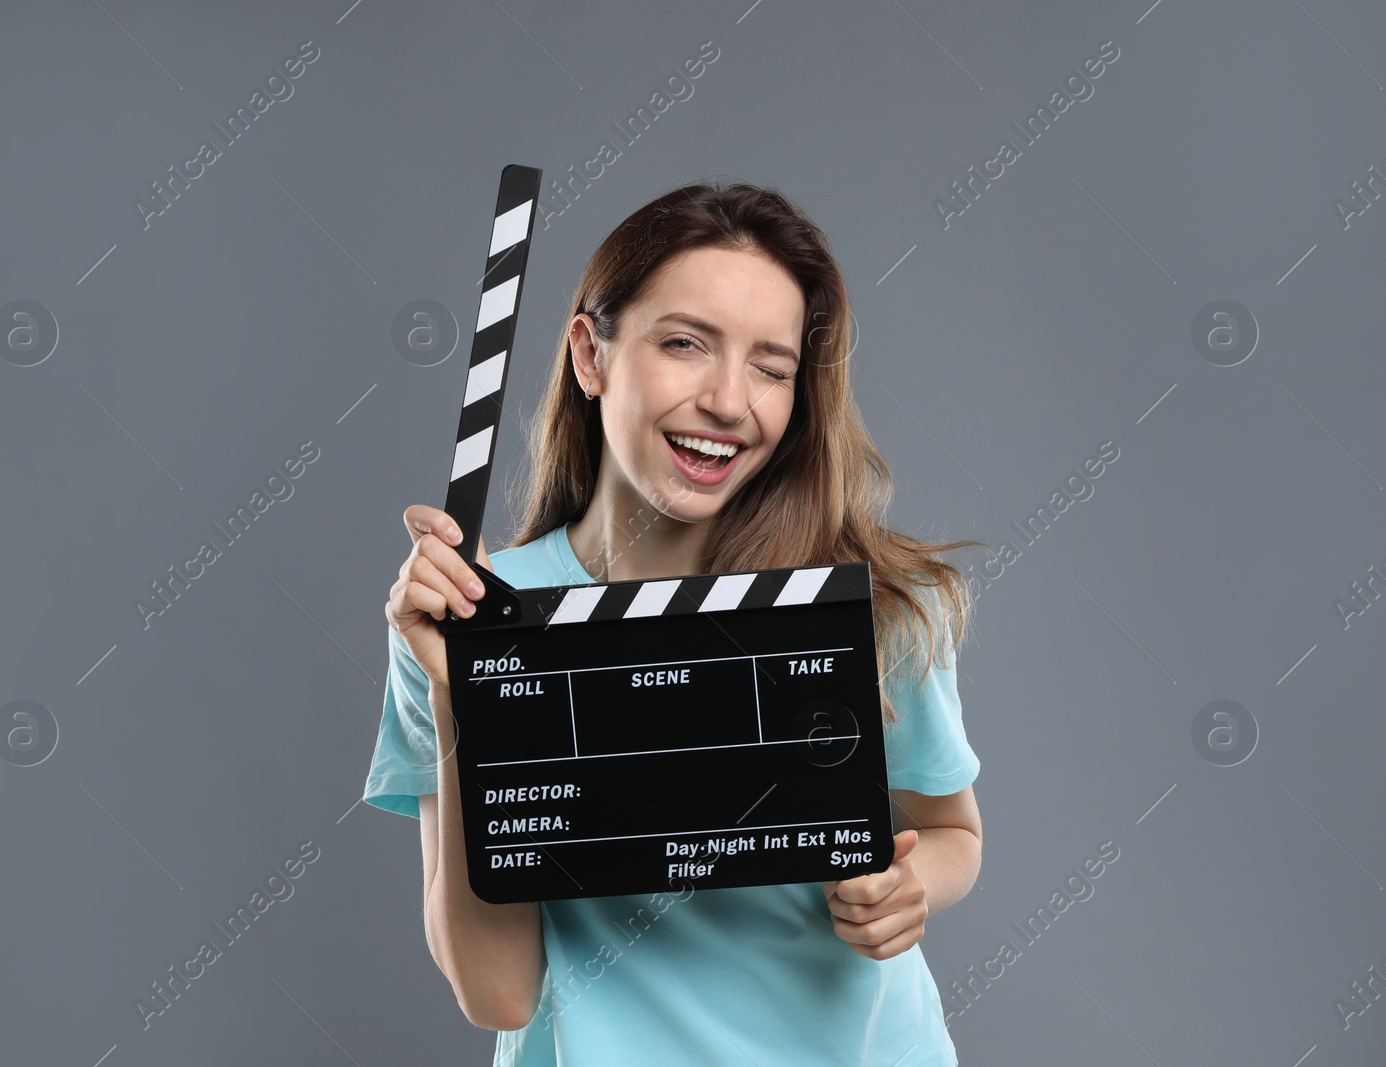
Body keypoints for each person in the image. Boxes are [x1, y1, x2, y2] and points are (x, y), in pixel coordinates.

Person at [365, 180, 991, 1066]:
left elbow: (953, 829)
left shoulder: (872, 601)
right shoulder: (463, 615)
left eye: (772, 367)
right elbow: (498, 990)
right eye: (686, 344)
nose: (730, 401)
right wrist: (464, 688)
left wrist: (907, 885)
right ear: (591, 354)